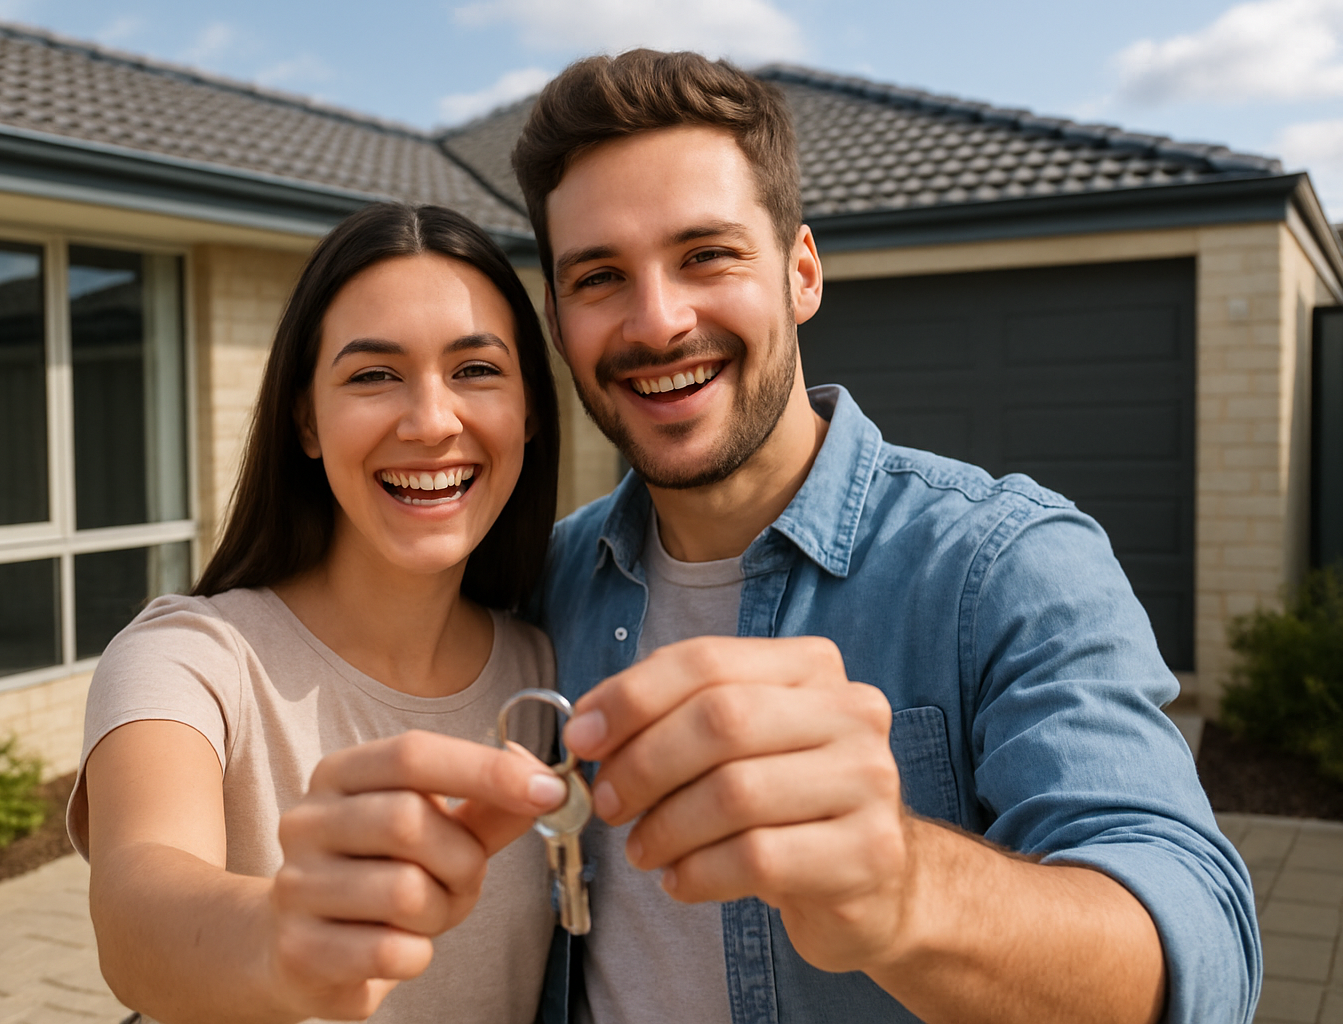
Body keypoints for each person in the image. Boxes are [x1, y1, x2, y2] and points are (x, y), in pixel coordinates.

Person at [511, 51, 1260, 1024]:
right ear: (559, 319)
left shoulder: (1007, 564)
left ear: (801, 272)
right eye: (601, 276)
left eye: (707, 255)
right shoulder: (548, 582)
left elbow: (1202, 953)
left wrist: (904, 889)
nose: (658, 321)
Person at [67, 202, 573, 1024]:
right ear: (306, 417)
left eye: (476, 371)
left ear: (531, 411)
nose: (431, 421)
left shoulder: (544, 667)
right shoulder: (191, 659)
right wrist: (279, 938)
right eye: (373, 375)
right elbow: (134, 912)